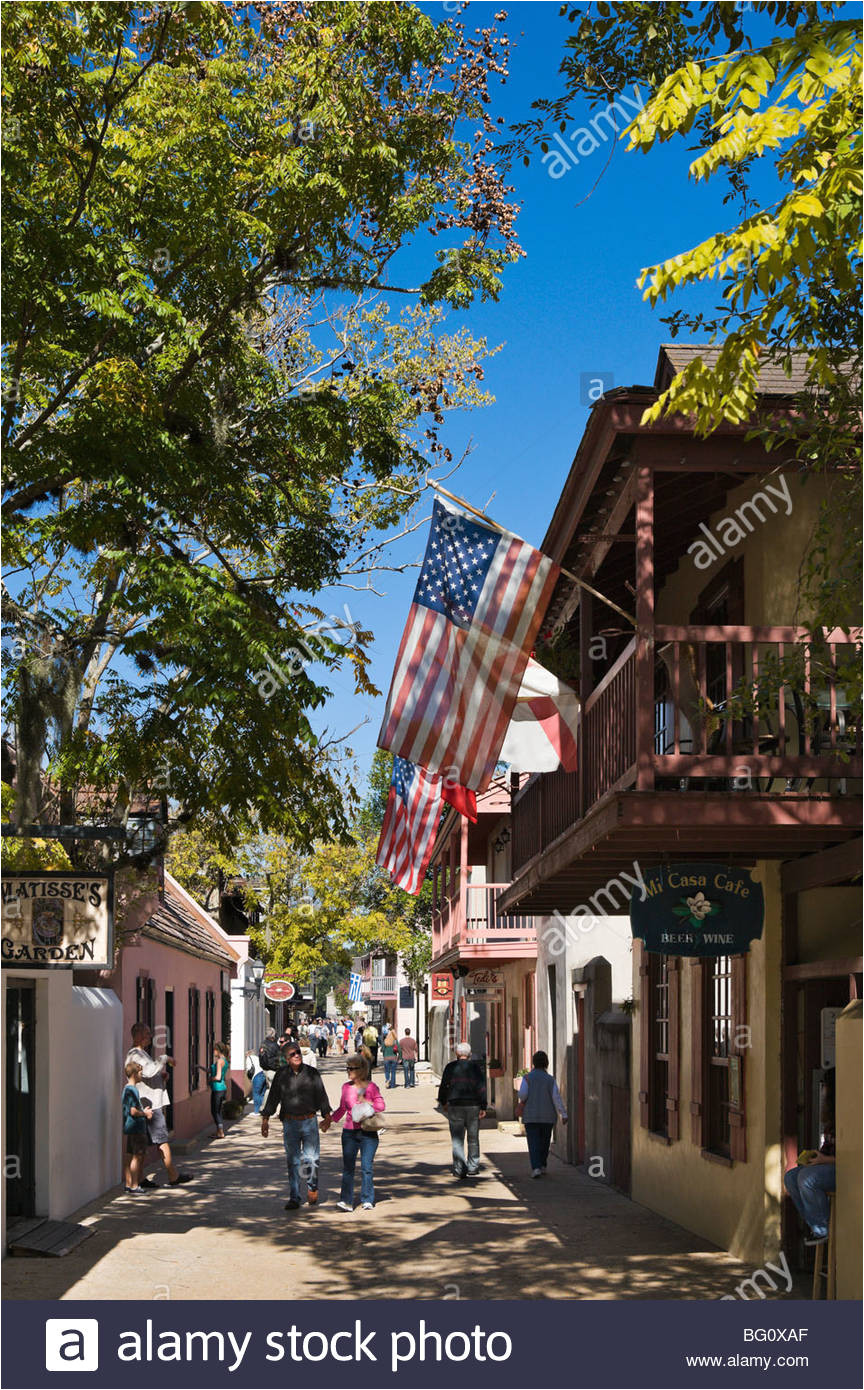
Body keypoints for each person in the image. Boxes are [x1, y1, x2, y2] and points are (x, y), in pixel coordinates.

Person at [261, 1040, 332, 1210]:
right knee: (293, 1161)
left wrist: (327, 1117)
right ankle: (294, 1197)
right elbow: (273, 1098)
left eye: (298, 1052)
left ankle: (312, 1186)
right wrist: (265, 1119)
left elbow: (321, 1096)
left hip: (309, 1122)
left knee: (311, 1159)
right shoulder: (281, 1075)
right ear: (286, 1058)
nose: (297, 1055)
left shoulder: (312, 1073)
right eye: (292, 1054)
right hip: (290, 1123)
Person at [125, 1023, 193, 1187]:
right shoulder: (136, 1055)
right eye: (147, 1034)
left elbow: (148, 1074)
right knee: (161, 1141)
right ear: (140, 1035)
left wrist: (160, 1076)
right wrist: (164, 1058)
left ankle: (139, 1180)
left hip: (148, 1103)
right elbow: (147, 1072)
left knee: (141, 1147)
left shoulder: (141, 1054)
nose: (150, 1037)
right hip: (149, 1106)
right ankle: (172, 1176)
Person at [329, 1055, 386, 1211]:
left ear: (362, 1070)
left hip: (368, 1132)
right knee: (348, 1167)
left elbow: (381, 1105)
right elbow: (342, 1108)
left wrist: (366, 1102)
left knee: (367, 1166)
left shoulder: (371, 1087)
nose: (349, 1071)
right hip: (349, 1132)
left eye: (352, 1068)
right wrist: (330, 1120)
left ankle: (367, 1199)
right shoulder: (345, 1087)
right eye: (347, 1068)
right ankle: (346, 1201)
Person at [438, 1041, 487, 1179]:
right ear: (469, 1054)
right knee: (473, 1138)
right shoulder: (476, 1068)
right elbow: (481, 1087)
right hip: (473, 1105)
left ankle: (459, 1168)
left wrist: (443, 1102)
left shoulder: (450, 1067)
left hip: (455, 1105)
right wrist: (483, 1106)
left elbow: (444, 1086)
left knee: (457, 1139)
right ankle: (473, 1166)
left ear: (457, 1054)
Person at [516, 1051, 568, 1177]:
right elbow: (556, 1098)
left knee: (533, 1142)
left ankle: (536, 1168)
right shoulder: (550, 1080)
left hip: (531, 1116)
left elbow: (522, 1095)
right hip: (547, 1117)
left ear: (534, 1063)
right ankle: (543, 1164)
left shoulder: (527, 1078)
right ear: (546, 1063)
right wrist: (563, 1114)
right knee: (545, 1142)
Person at [122, 1061, 153, 1195]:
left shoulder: (126, 1089)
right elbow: (133, 1111)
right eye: (140, 1073)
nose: (141, 1075)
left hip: (129, 1127)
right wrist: (145, 1113)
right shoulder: (133, 1090)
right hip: (137, 1127)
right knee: (137, 1156)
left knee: (129, 1156)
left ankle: (128, 1183)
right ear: (134, 1074)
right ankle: (135, 1185)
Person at [207, 1041, 229, 1138]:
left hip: (217, 1089)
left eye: (214, 1050)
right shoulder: (225, 1060)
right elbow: (213, 1070)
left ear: (218, 1050)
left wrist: (210, 1079)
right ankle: (218, 1131)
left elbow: (218, 1077)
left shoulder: (220, 1061)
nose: (213, 1052)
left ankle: (220, 1132)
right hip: (222, 1088)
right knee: (218, 1111)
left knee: (215, 1111)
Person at [246, 1048, 268, 1114]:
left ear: (248, 1054)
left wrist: (249, 1077)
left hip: (256, 1076)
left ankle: (256, 1111)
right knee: (262, 1093)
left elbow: (248, 1068)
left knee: (256, 1093)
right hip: (263, 1074)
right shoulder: (258, 1057)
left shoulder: (249, 1058)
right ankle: (262, 1109)